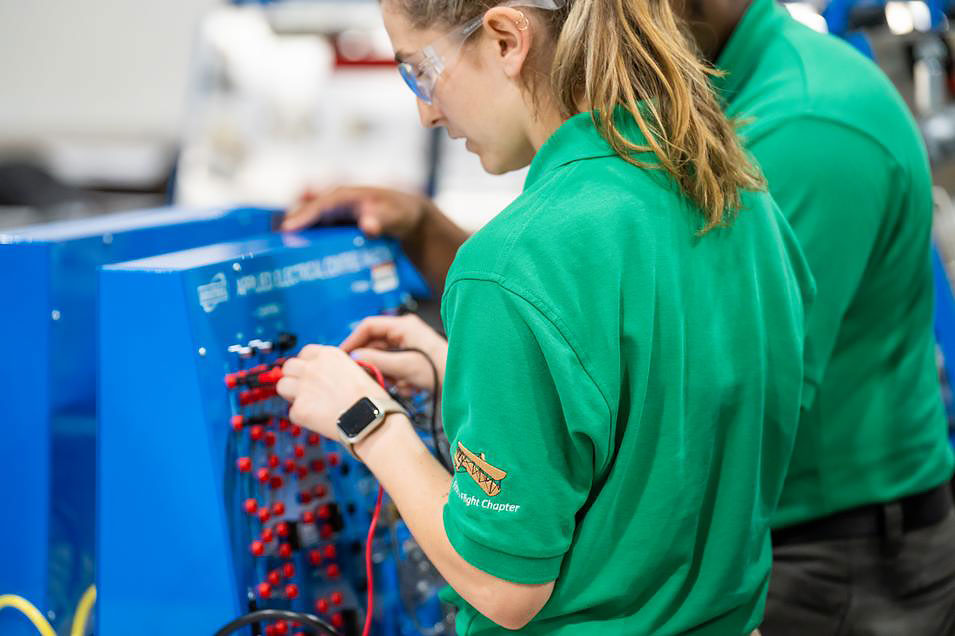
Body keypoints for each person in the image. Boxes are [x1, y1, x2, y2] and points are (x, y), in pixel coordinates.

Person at [287, 0, 955, 633]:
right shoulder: (737, 194)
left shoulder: (511, 262)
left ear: (505, 39)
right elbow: (674, 398)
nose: (426, 110)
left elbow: (502, 583)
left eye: (420, 69)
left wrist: (367, 421)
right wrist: (465, 372)